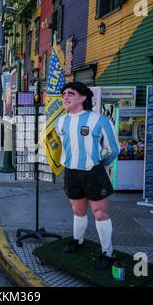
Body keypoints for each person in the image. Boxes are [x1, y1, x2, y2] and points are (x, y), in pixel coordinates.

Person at [54, 82, 120, 269]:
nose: (65, 96)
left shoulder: (100, 120)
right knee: (78, 211)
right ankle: (78, 241)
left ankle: (107, 252)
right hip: (71, 172)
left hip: (93, 173)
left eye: (70, 93)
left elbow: (114, 149)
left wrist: (99, 165)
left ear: (83, 98)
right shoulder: (60, 122)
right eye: (64, 94)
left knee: (100, 213)